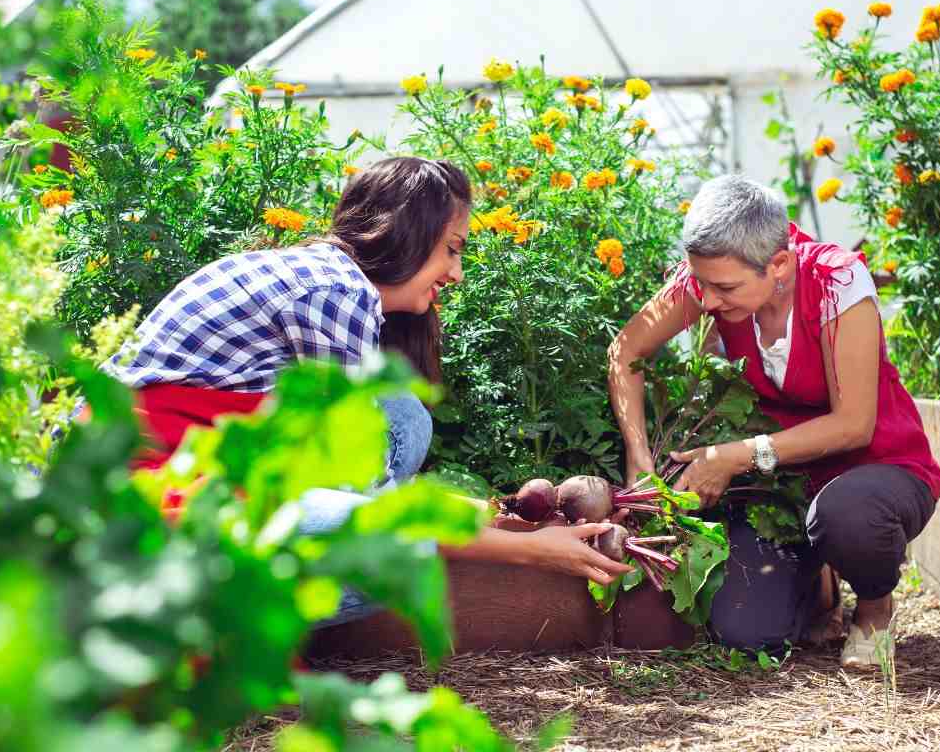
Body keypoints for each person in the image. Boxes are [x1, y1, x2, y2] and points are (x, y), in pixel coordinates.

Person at [103, 157, 632, 626]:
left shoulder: (326, 278)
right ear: (409, 232)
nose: (457, 273)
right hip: (147, 501)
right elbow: (376, 510)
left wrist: (492, 514)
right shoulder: (338, 293)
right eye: (451, 250)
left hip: (196, 466)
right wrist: (529, 550)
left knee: (403, 417)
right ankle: (209, 619)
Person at [607, 174, 940, 667]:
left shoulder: (837, 281)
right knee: (744, 633)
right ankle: (819, 582)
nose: (705, 302)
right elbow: (625, 351)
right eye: (698, 282)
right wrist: (639, 455)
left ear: (779, 264)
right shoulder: (709, 280)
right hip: (780, 485)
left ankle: (873, 607)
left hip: (874, 473)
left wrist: (737, 455)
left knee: (847, 515)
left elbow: (854, 424)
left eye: (723, 287)